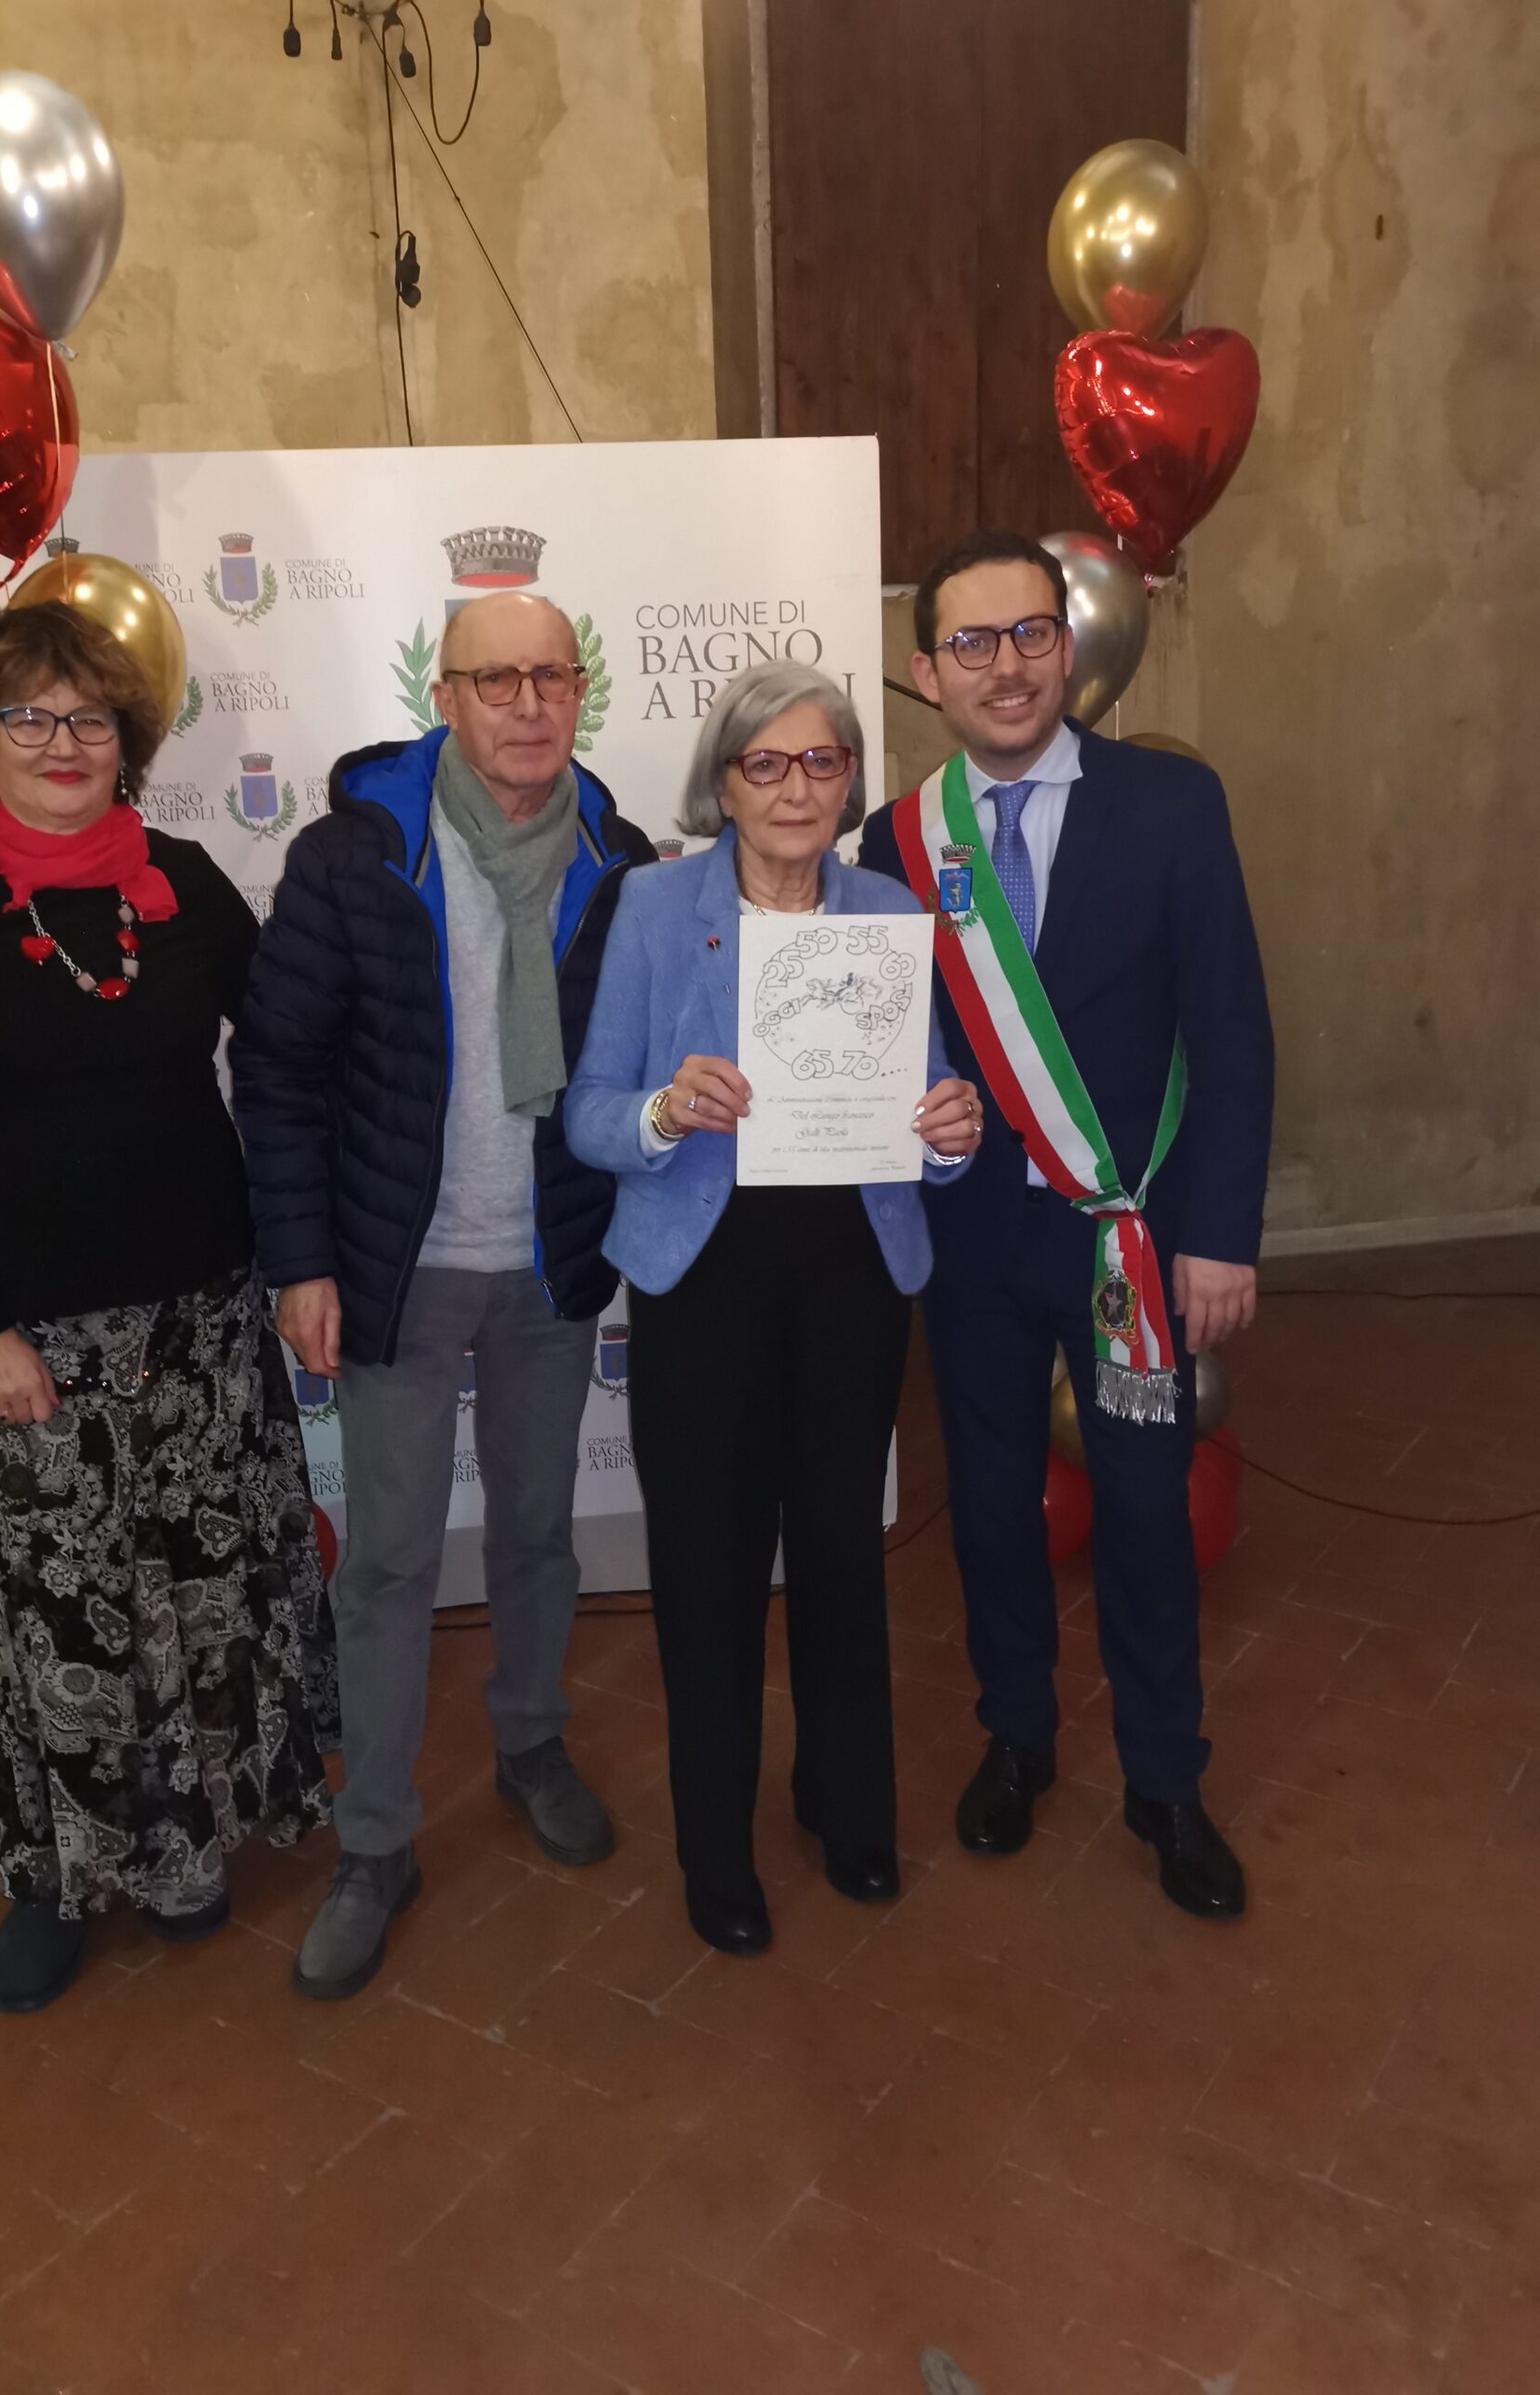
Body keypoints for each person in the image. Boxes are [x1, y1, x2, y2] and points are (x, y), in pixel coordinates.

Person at [0, 601, 331, 2015]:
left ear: (130, 740)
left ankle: (185, 1849)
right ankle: (53, 1880)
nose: (64, 743)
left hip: (200, 1324)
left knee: (196, 1599)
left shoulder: (181, 883)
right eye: (31, 717)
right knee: (58, 1618)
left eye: (92, 719)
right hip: (28, 1340)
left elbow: (288, 1046)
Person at [230, 590, 656, 2002]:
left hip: (550, 1266)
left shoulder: (619, 860)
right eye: (496, 679)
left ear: (579, 692)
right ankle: (374, 1840)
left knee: (537, 1536)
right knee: (393, 1565)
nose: (528, 705)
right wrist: (302, 1262)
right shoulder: (357, 855)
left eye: (552, 676)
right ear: (446, 696)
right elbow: (278, 1072)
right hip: (394, 1273)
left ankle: (529, 1743)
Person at [860, 530, 1274, 1918]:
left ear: (1067, 644)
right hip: (974, 1244)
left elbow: (1233, 1029)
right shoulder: (895, 842)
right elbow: (892, 1044)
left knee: (1147, 1509)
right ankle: (1019, 1738)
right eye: (971, 642)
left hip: (1134, 1243)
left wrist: (1222, 1235)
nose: (1007, 666)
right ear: (928, 671)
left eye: (1030, 633)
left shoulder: (1172, 806)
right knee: (989, 1504)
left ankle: (1167, 1780)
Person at [564, 662, 983, 1955]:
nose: (797, 788)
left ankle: (847, 1807)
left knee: (843, 1555)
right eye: (768, 763)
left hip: (854, 1277)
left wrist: (952, 1133)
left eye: (822, 762)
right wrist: (662, 1110)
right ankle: (716, 1848)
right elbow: (589, 1115)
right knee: (711, 1568)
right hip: (704, 1282)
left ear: (851, 780)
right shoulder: (652, 908)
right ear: (726, 781)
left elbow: (929, 1111)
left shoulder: (887, 911)